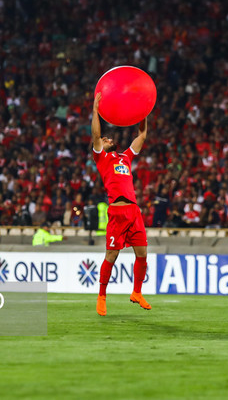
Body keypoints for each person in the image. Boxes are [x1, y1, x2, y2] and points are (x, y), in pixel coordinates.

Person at [92, 92, 151, 316]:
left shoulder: (125, 157)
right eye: (104, 139)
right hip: (117, 212)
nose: (107, 139)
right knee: (111, 256)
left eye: (108, 138)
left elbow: (142, 135)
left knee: (142, 253)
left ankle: (137, 292)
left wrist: (143, 111)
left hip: (134, 211)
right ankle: (102, 296)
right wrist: (95, 110)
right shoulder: (101, 158)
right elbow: (95, 134)